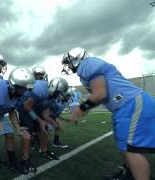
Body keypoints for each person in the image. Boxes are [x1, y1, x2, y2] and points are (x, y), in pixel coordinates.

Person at [62, 47, 155, 180]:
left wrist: (79, 109)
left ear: (78, 58)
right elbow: (99, 95)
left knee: (131, 149)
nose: (68, 65)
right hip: (125, 106)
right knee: (124, 146)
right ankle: (129, 174)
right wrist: (81, 113)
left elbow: (100, 94)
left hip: (130, 104)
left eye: (69, 61)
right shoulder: (89, 67)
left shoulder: (87, 65)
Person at [30, 66, 48, 151]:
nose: (40, 76)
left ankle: (40, 141)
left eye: (41, 74)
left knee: (41, 126)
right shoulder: (30, 84)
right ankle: (33, 141)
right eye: (38, 75)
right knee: (32, 126)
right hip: (32, 107)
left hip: (42, 108)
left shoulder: (46, 84)